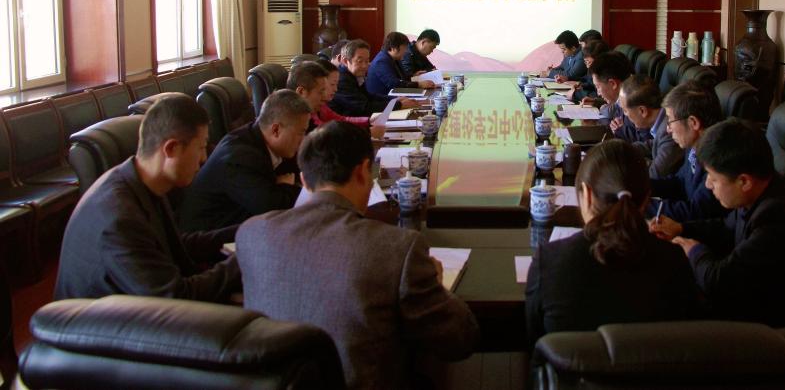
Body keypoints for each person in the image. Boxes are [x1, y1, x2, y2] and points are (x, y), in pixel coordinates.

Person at [236, 122, 479, 390]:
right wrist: (437, 284)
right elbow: (459, 339)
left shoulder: (252, 234)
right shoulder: (397, 248)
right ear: (363, 171)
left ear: (304, 180)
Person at [653, 118, 785, 386]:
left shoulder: (781, 216)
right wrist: (682, 228)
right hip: (777, 308)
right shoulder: (770, 189)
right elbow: (726, 228)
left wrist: (694, 250)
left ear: (744, 181)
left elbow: (719, 282)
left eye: (713, 178)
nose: (707, 185)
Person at [54, 95, 239, 302]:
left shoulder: (139, 180)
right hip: (108, 320)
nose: (204, 158)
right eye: (201, 147)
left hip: (141, 307)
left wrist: (247, 231)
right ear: (171, 148)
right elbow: (176, 297)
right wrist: (247, 257)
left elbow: (175, 246)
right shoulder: (120, 218)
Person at [525, 139, 701, 343]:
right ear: (647, 199)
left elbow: (534, 342)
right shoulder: (675, 260)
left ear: (587, 195)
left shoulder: (549, 261)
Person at [176, 90, 310, 232]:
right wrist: (285, 187)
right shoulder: (240, 157)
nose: (303, 139)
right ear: (276, 130)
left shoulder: (260, 138)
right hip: (208, 236)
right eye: (301, 132)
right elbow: (275, 209)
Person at [646, 83, 726, 230]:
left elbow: (696, 211)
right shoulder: (693, 147)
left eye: (670, 121)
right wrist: (642, 186)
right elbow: (680, 182)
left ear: (693, 123)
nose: (668, 129)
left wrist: (642, 204)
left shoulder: (718, 158)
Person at [329, 39, 418, 117]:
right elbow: (364, 107)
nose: (364, 66)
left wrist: (394, 99)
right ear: (345, 61)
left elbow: (369, 96)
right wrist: (398, 104)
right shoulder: (341, 80)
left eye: (367, 61)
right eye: (360, 61)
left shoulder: (354, 74)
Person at [617, 75, 684, 178]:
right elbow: (652, 144)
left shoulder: (669, 130)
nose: (625, 115)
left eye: (625, 110)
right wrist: (622, 149)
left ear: (642, 111)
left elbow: (654, 174)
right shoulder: (661, 121)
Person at [314, 59, 386, 138]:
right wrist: (367, 132)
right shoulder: (309, 111)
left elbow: (341, 120)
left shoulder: (322, 106)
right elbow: (324, 135)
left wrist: (368, 120)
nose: (336, 89)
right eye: (332, 84)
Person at [589, 51, 646, 142]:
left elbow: (644, 141)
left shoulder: (636, 101)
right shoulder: (623, 95)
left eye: (598, 87)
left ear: (613, 84)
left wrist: (621, 130)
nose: (598, 93)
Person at [366, 31, 436, 98]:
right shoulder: (381, 61)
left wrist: (413, 76)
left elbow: (402, 79)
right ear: (394, 48)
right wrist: (419, 84)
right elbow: (394, 84)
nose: (406, 51)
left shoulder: (395, 59)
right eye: (404, 48)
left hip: (394, 96)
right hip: (382, 100)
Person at [286, 60, 330, 133]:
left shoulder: (308, 115)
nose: (325, 98)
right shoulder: (288, 127)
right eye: (321, 92)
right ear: (301, 92)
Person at [571, 39, 609, 104]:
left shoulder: (607, 74)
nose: (587, 66)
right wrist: (582, 85)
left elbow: (600, 96)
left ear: (600, 60)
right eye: (585, 62)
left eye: (588, 62)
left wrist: (575, 94)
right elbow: (591, 82)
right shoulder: (595, 70)